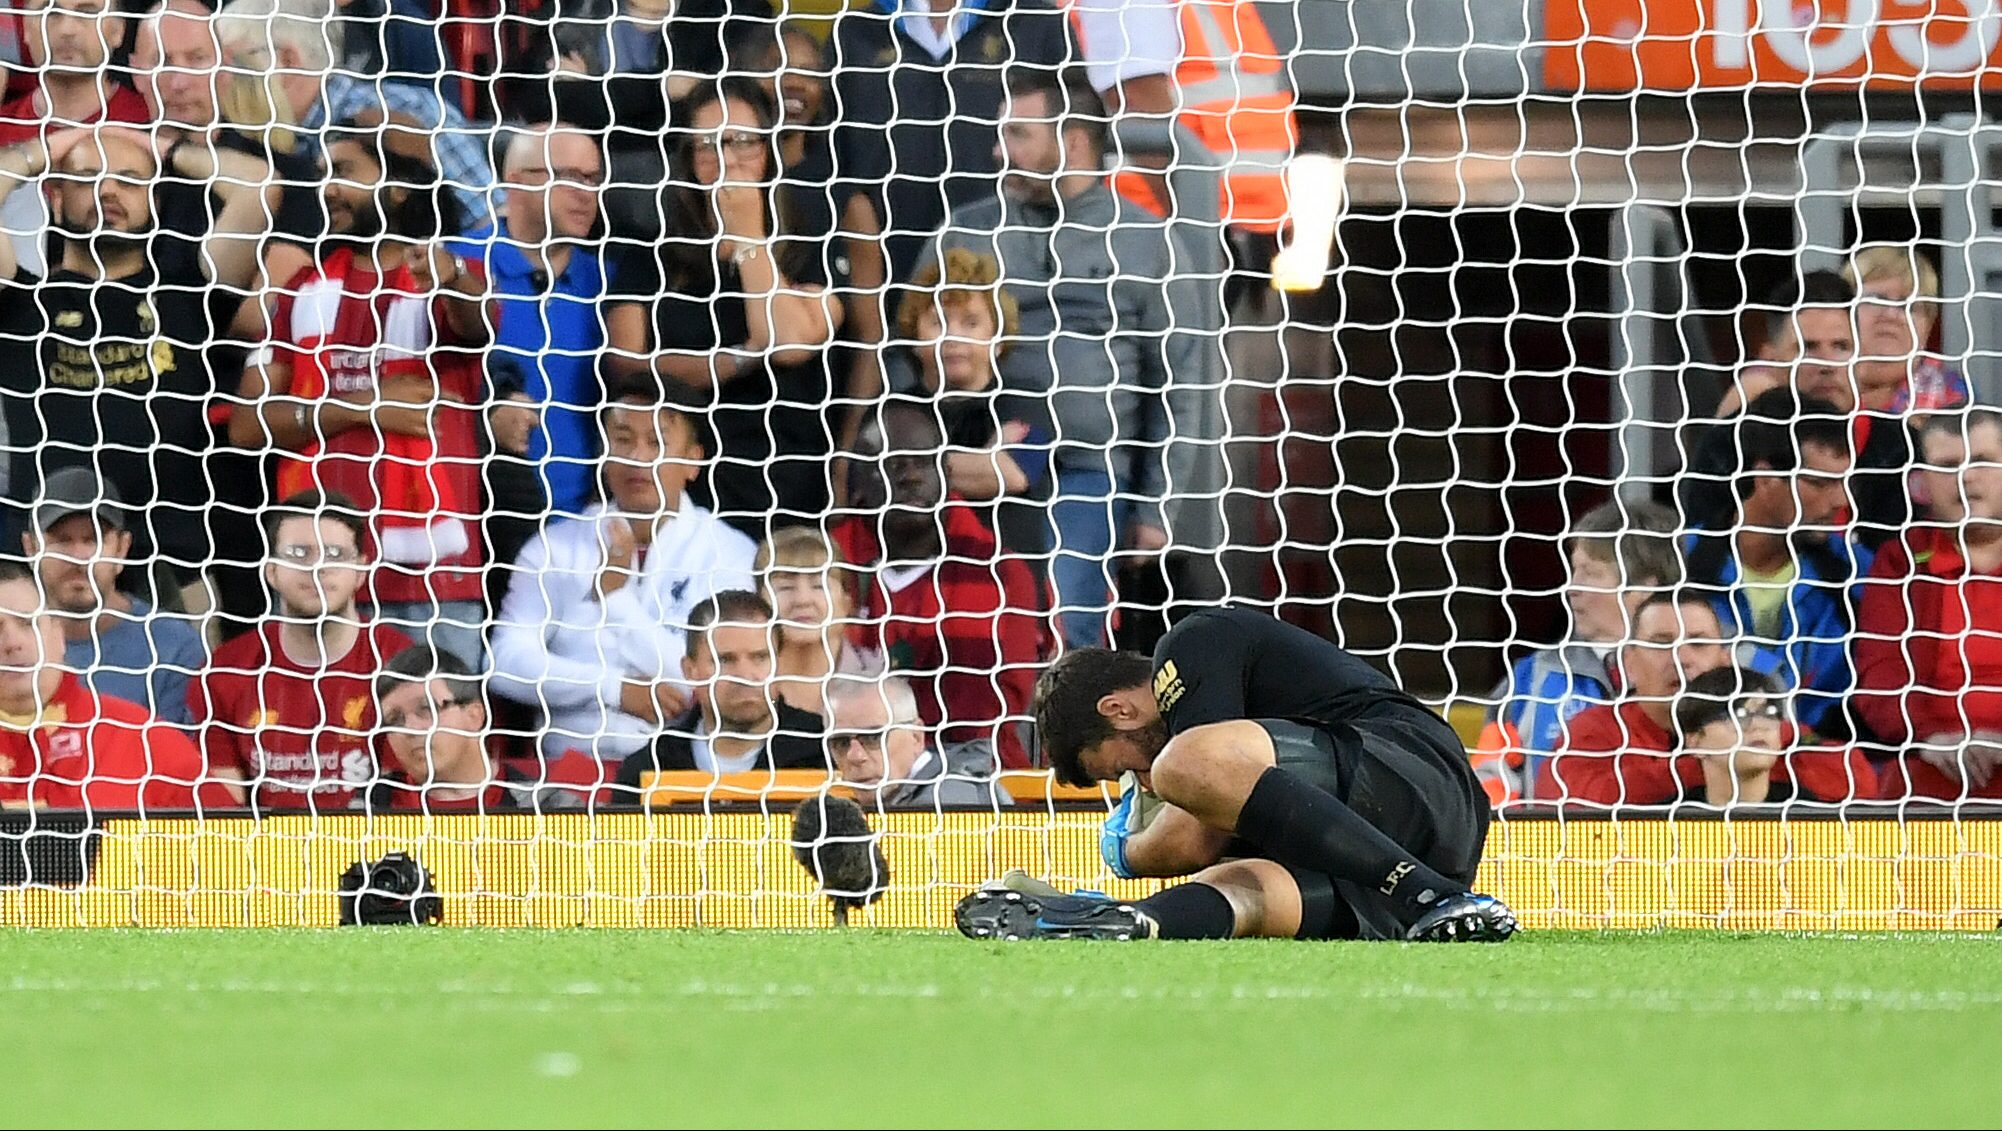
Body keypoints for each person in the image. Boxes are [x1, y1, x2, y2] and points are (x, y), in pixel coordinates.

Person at [956, 606, 1515, 943]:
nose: (1144, 783)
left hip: (1410, 764)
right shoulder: (1221, 755)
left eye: (1129, 768)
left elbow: (1193, 832)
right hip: (1415, 851)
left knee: (1187, 766)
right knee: (1248, 887)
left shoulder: (1191, 644)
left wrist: (1129, 854)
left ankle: (1430, 895)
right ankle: (1117, 921)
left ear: (1119, 710)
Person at [922, 72, 1184, 648]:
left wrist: (1155, 505)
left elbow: (1178, 385)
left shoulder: (1144, 239)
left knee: (1067, 636)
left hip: (1087, 473)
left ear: (1072, 141)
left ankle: (1050, 740)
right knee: (966, 632)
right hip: (970, 466)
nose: (998, 150)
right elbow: (907, 347)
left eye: (1017, 134)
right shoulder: (966, 229)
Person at [230, 125, 490, 670]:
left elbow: (479, 321)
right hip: (318, 580)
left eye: (344, 172)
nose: (327, 188)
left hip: (433, 583)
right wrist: (368, 404)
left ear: (397, 187)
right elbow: (247, 426)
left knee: (434, 740)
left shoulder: (444, 279)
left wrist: (454, 275)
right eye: (323, 174)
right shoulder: (301, 290)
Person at [0, 124, 274, 606]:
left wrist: (165, 150)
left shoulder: (192, 290)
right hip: (46, 572)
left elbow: (259, 185)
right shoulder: (21, 302)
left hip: (177, 569)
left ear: (157, 201)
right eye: (87, 178)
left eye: (128, 180)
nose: (107, 190)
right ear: (56, 198)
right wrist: (46, 150)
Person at [605, 78, 844, 538]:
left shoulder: (809, 243)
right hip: (684, 492)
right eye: (707, 145)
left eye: (741, 142)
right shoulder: (651, 253)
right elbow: (628, 366)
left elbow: (789, 340)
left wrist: (750, 236)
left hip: (785, 488)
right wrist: (741, 357)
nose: (725, 159)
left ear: (769, 150)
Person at [489, 379, 758, 769]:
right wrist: (613, 688)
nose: (638, 458)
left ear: (693, 460)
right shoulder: (554, 546)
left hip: (680, 772)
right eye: (623, 439)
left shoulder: (729, 552)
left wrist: (615, 598)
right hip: (565, 771)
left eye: (657, 443)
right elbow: (504, 663)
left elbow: (714, 679)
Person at [833, 400, 1049, 770]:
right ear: (860, 481)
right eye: (892, 464)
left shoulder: (1000, 573)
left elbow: (982, 716)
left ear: (946, 473)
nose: (911, 476)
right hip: (843, 766)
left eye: (923, 462)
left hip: (972, 780)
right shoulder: (825, 568)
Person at [189, 492, 413, 811]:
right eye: (298, 553)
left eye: (335, 554)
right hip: (266, 853)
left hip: (371, 849)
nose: (318, 567)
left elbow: (402, 798)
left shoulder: (401, 663)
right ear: (271, 571)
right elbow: (225, 809)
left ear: (361, 571)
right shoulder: (224, 671)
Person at [828, 0, 1073, 280]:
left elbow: (1077, 148)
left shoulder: (1036, 23)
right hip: (880, 278)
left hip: (1011, 272)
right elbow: (831, 163)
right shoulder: (855, 32)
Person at [446, 124, 610, 537]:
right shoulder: (454, 268)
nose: (585, 194)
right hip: (475, 525)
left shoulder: (613, 284)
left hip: (585, 532)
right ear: (514, 181)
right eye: (569, 177)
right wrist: (483, 427)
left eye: (594, 180)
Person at [1543, 592, 1861, 804]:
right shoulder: (1594, 730)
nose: (1681, 658)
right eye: (1661, 643)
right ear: (1628, 663)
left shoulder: (1757, 721)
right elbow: (1572, 802)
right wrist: (1722, 765)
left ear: (1725, 661)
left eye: (1698, 643)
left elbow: (1854, 776)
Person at [1683, 396, 1870, 743]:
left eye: (1846, 482)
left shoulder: (1859, 574)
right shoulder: (1679, 563)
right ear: (1765, 476)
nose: (1841, 500)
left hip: (1821, 773)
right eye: (1819, 482)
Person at [213, 0, 494, 230]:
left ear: (287, 60)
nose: (220, 82)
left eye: (236, 66)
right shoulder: (255, 138)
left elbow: (487, 223)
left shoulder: (399, 112)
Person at [1473, 498, 1682, 803]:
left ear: (1644, 588)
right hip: (1555, 849)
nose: (1572, 588)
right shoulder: (1531, 678)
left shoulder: (1707, 666)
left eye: (1591, 573)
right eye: (1574, 571)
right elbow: (1489, 784)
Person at [0, 559, 229, 811]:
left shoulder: (141, 735)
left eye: (28, 624)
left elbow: (231, 844)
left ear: (58, 636)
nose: (12, 643)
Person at [1855, 409, 2002, 800]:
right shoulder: (1900, 560)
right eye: (1947, 465)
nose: (1967, 476)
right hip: (1927, 764)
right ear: (1920, 485)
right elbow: (1880, 671)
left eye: (1982, 461)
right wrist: (1930, 737)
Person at [889, 246, 1051, 557]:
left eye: (971, 323)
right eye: (939, 322)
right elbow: (881, 482)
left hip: (1004, 580)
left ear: (998, 338)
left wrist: (913, 466)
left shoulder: (1025, 399)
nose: (954, 337)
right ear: (914, 335)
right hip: (916, 583)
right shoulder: (893, 409)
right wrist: (981, 459)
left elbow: (1009, 474)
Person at [24, 468, 205, 726]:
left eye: (93, 540)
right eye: (62, 540)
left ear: (122, 549)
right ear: (30, 549)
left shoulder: (173, 646)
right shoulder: (9, 642)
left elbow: (179, 758)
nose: (79, 557)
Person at [614, 590, 825, 786]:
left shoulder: (825, 751)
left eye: (760, 657)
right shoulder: (648, 769)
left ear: (779, 663)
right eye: (724, 660)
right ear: (690, 670)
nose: (745, 676)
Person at [371, 645, 583, 812]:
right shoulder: (369, 808)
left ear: (475, 715)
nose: (410, 729)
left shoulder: (549, 808)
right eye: (394, 719)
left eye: (426, 709)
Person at [825, 675, 1009, 809]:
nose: (855, 756)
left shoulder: (949, 801)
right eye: (841, 743)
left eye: (874, 737)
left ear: (916, 736)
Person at [757, 525, 884, 718]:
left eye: (819, 586)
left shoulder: (882, 682)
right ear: (758, 604)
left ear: (848, 603)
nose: (802, 600)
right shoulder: (742, 683)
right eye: (785, 587)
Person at [1843, 244, 1968, 418]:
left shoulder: (1954, 398)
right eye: (1876, 299)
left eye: (1910, 307)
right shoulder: (1812, 381)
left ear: (1928, 327)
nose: (1892, 314)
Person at [1715, 271, 1857, 418]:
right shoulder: (1748, 425)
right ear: (1770, 359)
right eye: (1806, 348)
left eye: (1841, 347)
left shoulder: (1879, 429)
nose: (1827, 365)